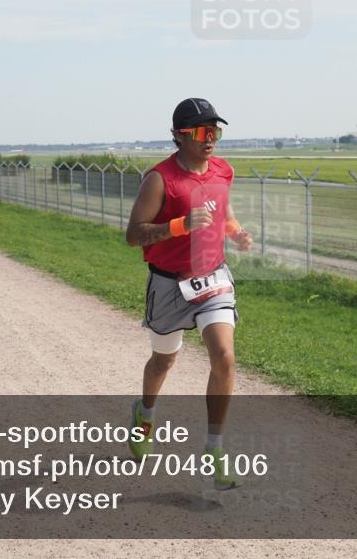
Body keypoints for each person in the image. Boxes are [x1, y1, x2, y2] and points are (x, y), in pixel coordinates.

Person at [125, 98, 253, 490]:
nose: (210, 138)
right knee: (163, 362)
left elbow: (222, 212)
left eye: (215, 130)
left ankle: (215, 446)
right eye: (200, 131)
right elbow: (133, 235)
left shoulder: (223, 171)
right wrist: (178, 226)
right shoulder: (160, 179)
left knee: (225, 358)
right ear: (180, 136)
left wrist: (236, 233)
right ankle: (145, 414)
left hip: (213, 278)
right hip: (168, 284)